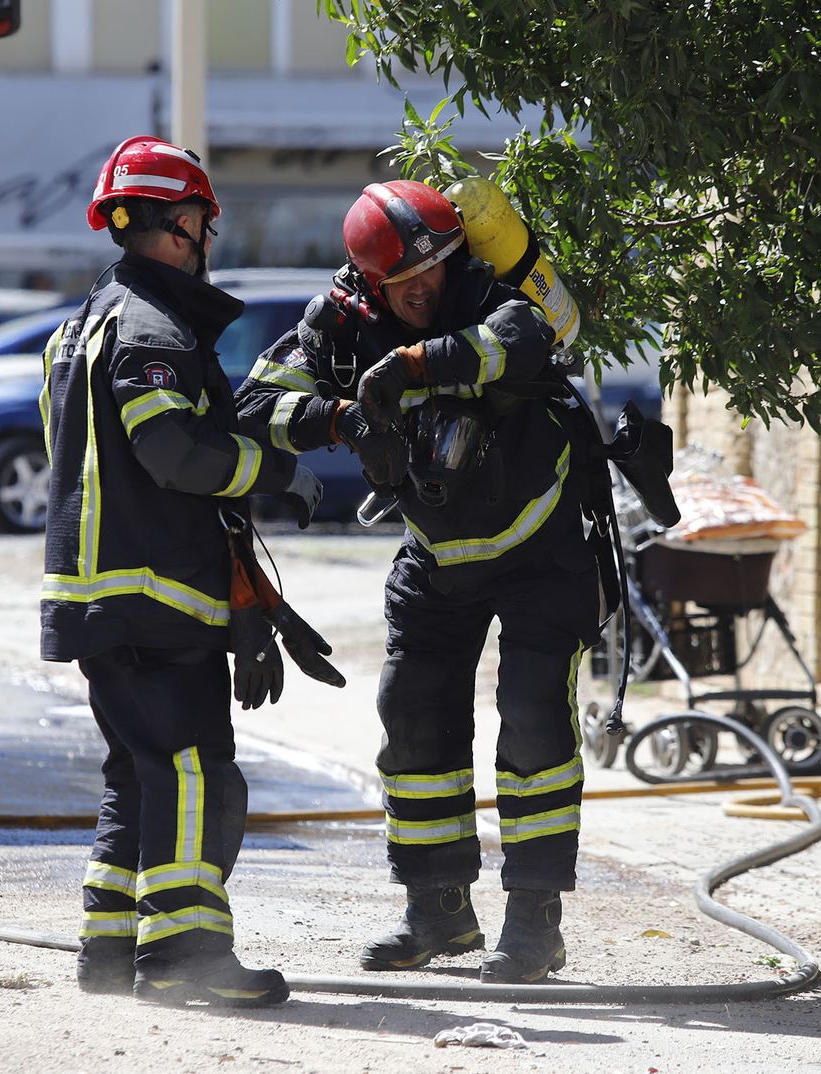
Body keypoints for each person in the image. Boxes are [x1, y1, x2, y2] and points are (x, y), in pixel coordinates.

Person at [235, 179, 603, 984]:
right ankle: (438, 914)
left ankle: (536, 924)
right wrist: (342, 420)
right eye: (406, 281)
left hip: (543, 545)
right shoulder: (339, 319)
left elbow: (517, 341)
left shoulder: (487, 284)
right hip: (438, 556)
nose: (425, 288)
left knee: (533, 722)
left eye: (435, 269)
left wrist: (401, 371)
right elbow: (257, 402)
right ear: (370, 281)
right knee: (412, 715)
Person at [40, 135, 323, 1007]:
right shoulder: (152, 327)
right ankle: (186, 959)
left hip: (99, 601)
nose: (208, 235)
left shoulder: (81, 324)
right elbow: (170, 452)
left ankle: (109, 951)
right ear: (172, 225)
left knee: (138, 772)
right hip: (154, 597)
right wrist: (274, 472)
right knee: (199, 772)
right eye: (201, 219)